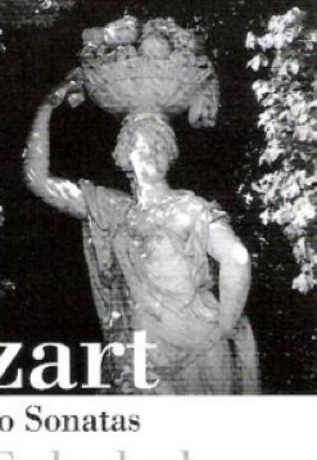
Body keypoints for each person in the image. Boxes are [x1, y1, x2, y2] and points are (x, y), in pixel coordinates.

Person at [23, 71, 260, 394]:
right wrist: (48, 107)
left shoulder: (190, 207)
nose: (153, 152)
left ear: (171, 154)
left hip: (198, 346)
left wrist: (225, 327)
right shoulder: (115, 210)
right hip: (142, 353)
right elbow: (38, 181)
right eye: (143, 146)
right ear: (126, 155)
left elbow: (237, 258)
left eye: (160, 145)